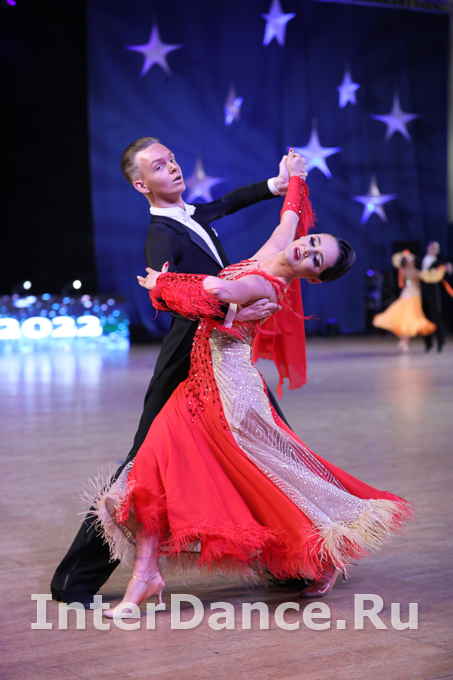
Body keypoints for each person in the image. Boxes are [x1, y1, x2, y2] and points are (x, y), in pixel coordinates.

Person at [88, 160, 411, 619]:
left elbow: (218, 292)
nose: (307, 249)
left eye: (316, 259)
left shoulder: (266, 283)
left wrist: (163, 283)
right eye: (314, 242)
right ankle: (146, 574)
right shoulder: (278, 247)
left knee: (267, 483)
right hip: (199, 385)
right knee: (154, 466)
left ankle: (320, 555)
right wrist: (295, 177)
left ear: (313, 277)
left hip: (227, 395)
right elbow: (290, 215)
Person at [50, 138, 306, 606]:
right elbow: (168, 295)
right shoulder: (162, 237)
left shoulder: (190, 215)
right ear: (141, 185)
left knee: (265, 446)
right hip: (186, 358)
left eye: (171, 159)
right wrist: (234, 313)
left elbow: (226, 202)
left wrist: (276, 184)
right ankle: (73, 581)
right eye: (158, 166)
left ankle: (290, 566)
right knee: (140, 464)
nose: (172, 167)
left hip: (222, 355)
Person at [373, 250, 446, 352]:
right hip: (412, 296)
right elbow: (428, 276)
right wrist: (441, 271)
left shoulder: (406, 270)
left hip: (408, 294)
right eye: (411, 260)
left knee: (407, 319)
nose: (413, 261)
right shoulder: (412, 271)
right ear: (407, 263)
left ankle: (405, 341)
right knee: (409, 319)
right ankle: (405, 341)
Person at [421, 241, 453, 352]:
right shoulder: (422, 259)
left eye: (435, 248)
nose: (433, 249)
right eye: (431, 247)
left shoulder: (439, 262)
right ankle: (428, 344)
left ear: (438, 251)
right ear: (427, 247)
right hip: (422, 292)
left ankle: (440, 341)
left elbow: (447, 267)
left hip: (433, 292)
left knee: (436, 316)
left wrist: (448, 267)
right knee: (425, 317)